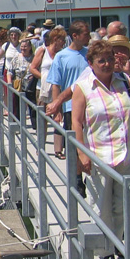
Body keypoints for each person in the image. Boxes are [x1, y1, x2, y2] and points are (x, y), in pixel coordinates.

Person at [71, 41, 130, 259]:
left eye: (110, 59)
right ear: (90, 63)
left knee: (123, 206)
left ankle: (116, 242)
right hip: (99, 156)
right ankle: (105, 251)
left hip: (127, 154)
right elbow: (76, 122)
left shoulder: (124, 82)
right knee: (101, 207)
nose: (107, 64)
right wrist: (82, 153)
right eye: (101, 60)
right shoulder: (83, 87)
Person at [46, 21, 91, 187]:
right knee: (75, 144)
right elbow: (56, 84)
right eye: (86, 34)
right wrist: (57, 107)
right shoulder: (61, 56)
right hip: (71, 107)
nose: (89, 37)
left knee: (89, 142)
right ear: (75, 36)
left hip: (90, 106)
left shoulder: (90, 54)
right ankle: (77, 178)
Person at [30, 26, 67, 158]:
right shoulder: (43, 50)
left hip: (58, 90)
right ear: (55, 39)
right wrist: (45, 78)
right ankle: (40, 147)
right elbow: (32, 68)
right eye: (62, 40)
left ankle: (58, 150)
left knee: (58, 118)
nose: (64, 42)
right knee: (42, 119)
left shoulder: (62, 53)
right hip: (42, 89)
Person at [9, 38, 34, 122]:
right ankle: (17, 123)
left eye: (25, 46)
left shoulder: (34, 58)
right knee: (17, 106)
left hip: (31, 85)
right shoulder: (16, 57)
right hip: (18, 85)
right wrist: (9, 83)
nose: (23, 48)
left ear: (30, 47)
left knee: (32, 106)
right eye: (22, 46)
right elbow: (10, 71)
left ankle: (35, 125)